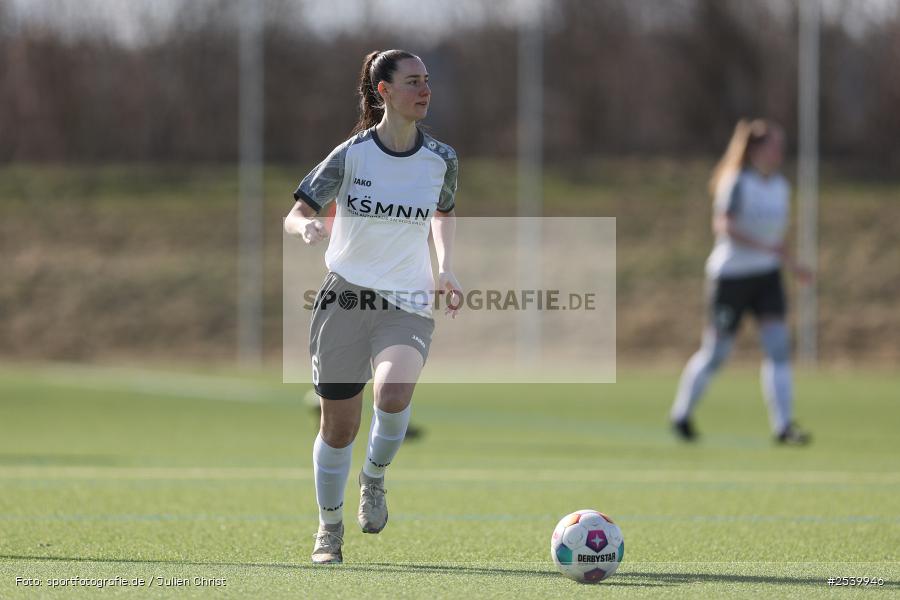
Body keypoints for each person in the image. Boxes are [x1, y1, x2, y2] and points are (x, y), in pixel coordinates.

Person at [284, 49, 461, 564]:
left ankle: (375, 479)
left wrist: (445, 266)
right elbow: (295, 212)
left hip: (405, 301)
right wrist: (308, 227)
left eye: (427, 81)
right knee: (338, 428)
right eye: (412, 82)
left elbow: (444, 212)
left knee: (394, 390)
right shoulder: (352, 155)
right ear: (383, 91)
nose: (424, 90)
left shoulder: (442, 159)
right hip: (343, 298)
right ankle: (329, 527)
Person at [669, 118, 813, 445]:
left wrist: (793, 266)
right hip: (731, 277)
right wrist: (764, 248)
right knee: (717, 353)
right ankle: (681, 413)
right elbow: (724, 226)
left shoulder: (780, 187)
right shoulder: (736, 182)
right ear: (756, 150)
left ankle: (783, 426)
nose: (779, 152)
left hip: (767, 278)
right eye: (774, 146)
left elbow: (776, 239)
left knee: (778, 350)